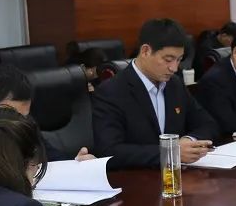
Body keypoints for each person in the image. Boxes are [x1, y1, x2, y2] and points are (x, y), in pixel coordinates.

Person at [93, 19, 218, 170]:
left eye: (179, 60)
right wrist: (171, 152)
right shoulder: (111, 91)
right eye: (168, 60)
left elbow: (207, 124)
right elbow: (109, 151)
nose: (174, 68)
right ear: (145, 51)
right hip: (135, 178)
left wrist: (188, 140)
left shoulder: (175, 84)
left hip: (177, 175)